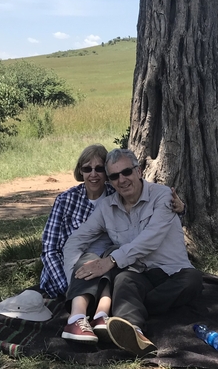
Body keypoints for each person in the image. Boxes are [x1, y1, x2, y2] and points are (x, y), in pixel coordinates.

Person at [63, 148, 204, 357]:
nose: (122, 180)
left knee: (193, 279)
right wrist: (74, 284)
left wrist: (111, 260)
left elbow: (150, 239)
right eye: (114, 176)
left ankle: (125, 312)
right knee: (124, 281)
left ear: (138, 171)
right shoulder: (106, 207)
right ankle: (133, 331)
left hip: (171, 272)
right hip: (138, 272)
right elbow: (75, 241)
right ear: (109, 181)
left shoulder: (163, 196)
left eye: (126, 172)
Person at [38, 144, 184, 343]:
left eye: (99, 169)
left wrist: (181, 207)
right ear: (80, 171)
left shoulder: (127, 193)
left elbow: (151, 223)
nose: (94, 174)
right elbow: (56, 246)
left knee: (116, 259)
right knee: (97, 263)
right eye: (87, 169)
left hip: (125, 265)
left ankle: (106, 318)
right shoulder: (71, 200)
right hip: (84, 270)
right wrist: (72, 285)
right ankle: (81, 319)